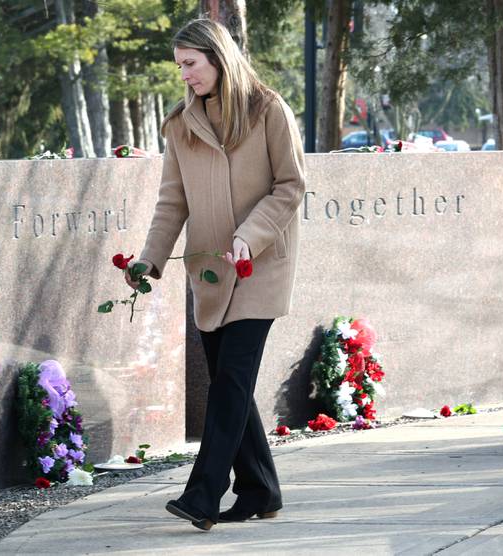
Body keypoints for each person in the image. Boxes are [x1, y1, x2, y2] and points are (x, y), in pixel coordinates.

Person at [125, 18, 305, 531]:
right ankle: (260, 489)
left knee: (229, 380)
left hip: (261, 264)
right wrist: (149, 259)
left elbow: (291, 185)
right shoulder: (181, 124)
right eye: (179, 65)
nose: (184, 75)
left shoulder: (267, 109)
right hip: (208, 269)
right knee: (232, 383)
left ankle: (203, 493)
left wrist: (253, 234)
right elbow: (172, 200)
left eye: (191, 63)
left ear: (217, 57)